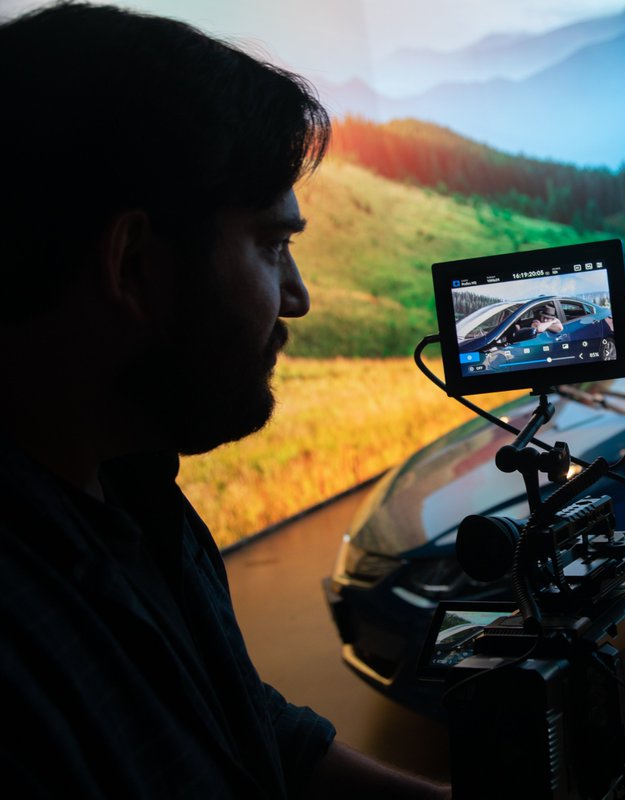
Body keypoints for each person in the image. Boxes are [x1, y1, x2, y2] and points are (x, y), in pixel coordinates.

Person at [0, 4, 448, 798]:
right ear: (133, 265)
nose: (297, 297)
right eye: (272, 247)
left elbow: (239, 724)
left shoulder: (137, 493)